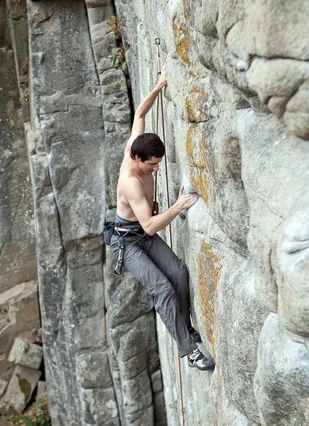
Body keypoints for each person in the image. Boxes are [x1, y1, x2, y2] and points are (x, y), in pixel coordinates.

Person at [110, 68, 215, 371]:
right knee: (163, 288)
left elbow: (140, 113)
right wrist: (178, 205)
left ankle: (185, 328)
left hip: (142, 235)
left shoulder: (137, 143)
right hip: (128, 242)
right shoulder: (130, 180)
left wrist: (158, 86)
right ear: (140, 159)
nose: (157, 169)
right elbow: (151, 225)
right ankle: (190, 350)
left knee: (179, 274)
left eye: (159, 163)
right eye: (153, 165)